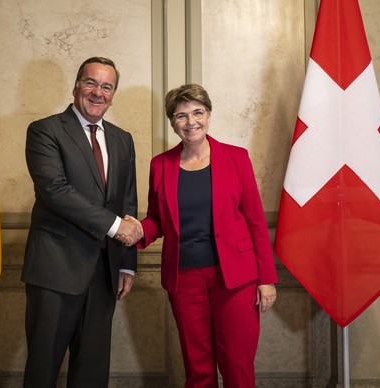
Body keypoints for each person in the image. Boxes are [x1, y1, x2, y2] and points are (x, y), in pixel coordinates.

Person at [133, 83, 278, 387]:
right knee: (198, 370)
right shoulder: (160, 165)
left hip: (235, 278)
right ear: (172, 122)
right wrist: (133, 230)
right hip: (184, 280)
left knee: (237, 365)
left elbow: (254, 221)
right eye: (181, 115)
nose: (191, 122)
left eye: (197, 112)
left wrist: (266, 278)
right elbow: (158, 219)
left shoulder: (236, 158)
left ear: (209, 115)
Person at [22, 56, 143, 388]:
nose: (97, 92)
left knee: (91, 374)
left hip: (104, 273)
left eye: (107, 86)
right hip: (55, 271)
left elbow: (127, 203)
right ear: (77, 86)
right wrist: (117, 227)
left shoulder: (122, 139)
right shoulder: (45, 130)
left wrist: (127, 264)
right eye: (91, 83)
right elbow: (56, 191)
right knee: (42, 371)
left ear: (113, 93)